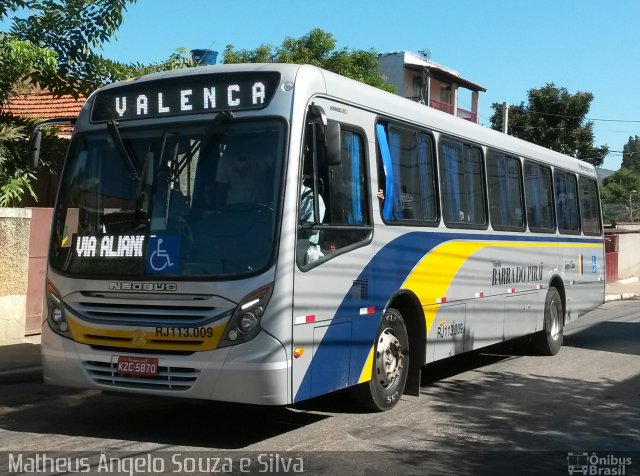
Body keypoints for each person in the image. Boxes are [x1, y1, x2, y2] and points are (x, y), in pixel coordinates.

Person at [299, 176, 325, 264]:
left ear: (303, 178)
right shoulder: (280, 197)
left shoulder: (314, 198)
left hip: (305, 246)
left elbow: (314, 229)